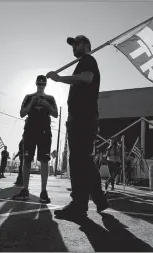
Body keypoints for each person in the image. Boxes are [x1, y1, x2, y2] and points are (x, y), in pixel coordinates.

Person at [47, 35, 109, 218]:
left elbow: (87, 78)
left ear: (87, 46)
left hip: (84, 118)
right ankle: (99, 199)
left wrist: (59, 78)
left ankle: (79, 205)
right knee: (84, 161)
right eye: (72, 45)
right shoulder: (82, 63)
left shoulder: (88, 61)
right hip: (80, 118)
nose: (74, 47)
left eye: (77, 44)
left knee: (78, 162)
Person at [12, 75, 58, 204]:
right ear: (36, 83)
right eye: (39, 83)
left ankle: (43, 191)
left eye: (43, 84)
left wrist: (47, 105)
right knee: (26, 159)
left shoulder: (50, 98)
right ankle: (25, 189)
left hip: (44, 131)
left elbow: (55, 114)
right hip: (30, 130)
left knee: (44, 160)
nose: (41, 86)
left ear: (46, 85)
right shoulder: (28, 97)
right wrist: (32, 103)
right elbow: (22, 113)